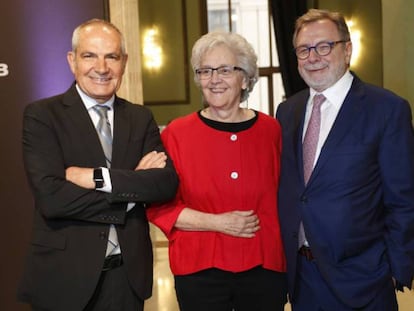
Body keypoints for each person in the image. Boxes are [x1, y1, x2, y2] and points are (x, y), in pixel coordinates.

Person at [17, 19, 178, 311]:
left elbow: (164, 184)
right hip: (65, 278)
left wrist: (99, 178)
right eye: (90, 55)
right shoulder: (42, 116)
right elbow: (52, 199)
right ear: (72, 60)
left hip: (127, 277)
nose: (101, 68)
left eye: (111, 56)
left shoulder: (140, 118)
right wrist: (131, 192)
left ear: (124, 62)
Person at [276, 8, 414, 311]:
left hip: (364, 279)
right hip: (303, 279)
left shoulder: (387, 110)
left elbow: (403, 199)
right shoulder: (288, 111)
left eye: (324, 46)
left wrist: (395, 269)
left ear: (347, 49)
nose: (313, 57)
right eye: (303, 49)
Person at [146, 31, 287, 311]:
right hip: (199, 270)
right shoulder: (177, 133)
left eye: (225, 70)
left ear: (245, 78)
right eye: (206, 71)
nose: (214, 79)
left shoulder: (271, 130)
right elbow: (159, 206)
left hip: (264, 268)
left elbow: (289, 195)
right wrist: (217, 223)